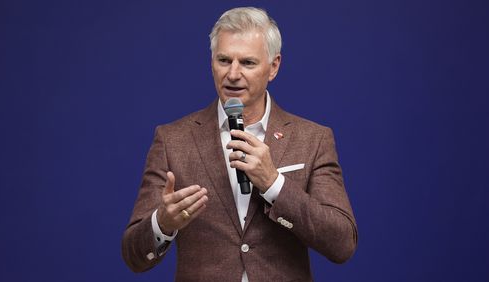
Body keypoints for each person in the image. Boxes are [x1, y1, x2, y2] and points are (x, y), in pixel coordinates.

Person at [122, 7, 358, 281]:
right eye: (224, 60)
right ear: (211, 62)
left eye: (247, 63)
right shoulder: (172, 139)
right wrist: (162, 224)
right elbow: (133, 256)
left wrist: (274, 184)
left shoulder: (313, 139)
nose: (232, 74)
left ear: (274, 67)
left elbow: (342, 244)